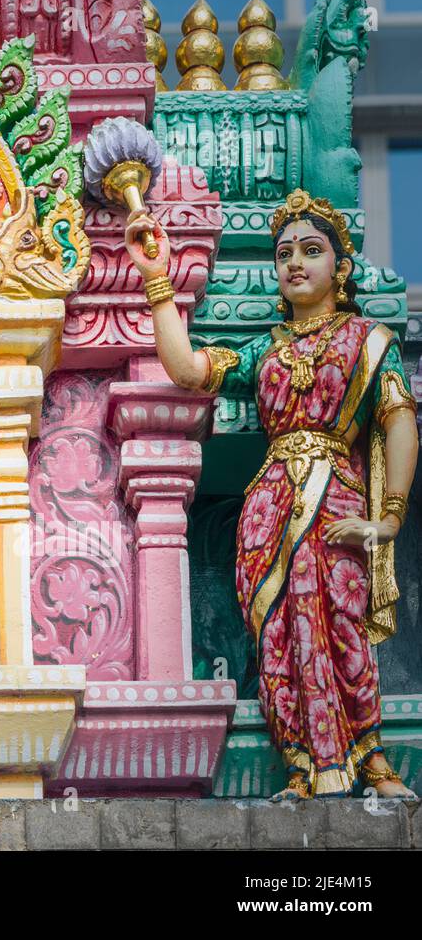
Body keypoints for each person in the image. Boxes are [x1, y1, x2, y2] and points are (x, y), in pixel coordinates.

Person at [124, 188, 417, 799]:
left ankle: (372, 762)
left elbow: (398, 419)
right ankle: (302, 765)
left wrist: (387, 518)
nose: (295, 263)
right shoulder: (266, 349)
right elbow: (187, 370)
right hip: (269, 507)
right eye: (284, 253)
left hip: (336, 497)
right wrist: (157, 281)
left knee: (341, 622)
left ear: (341, 267)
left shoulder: (370, 341)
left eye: (312, 250)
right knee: (279, 630)